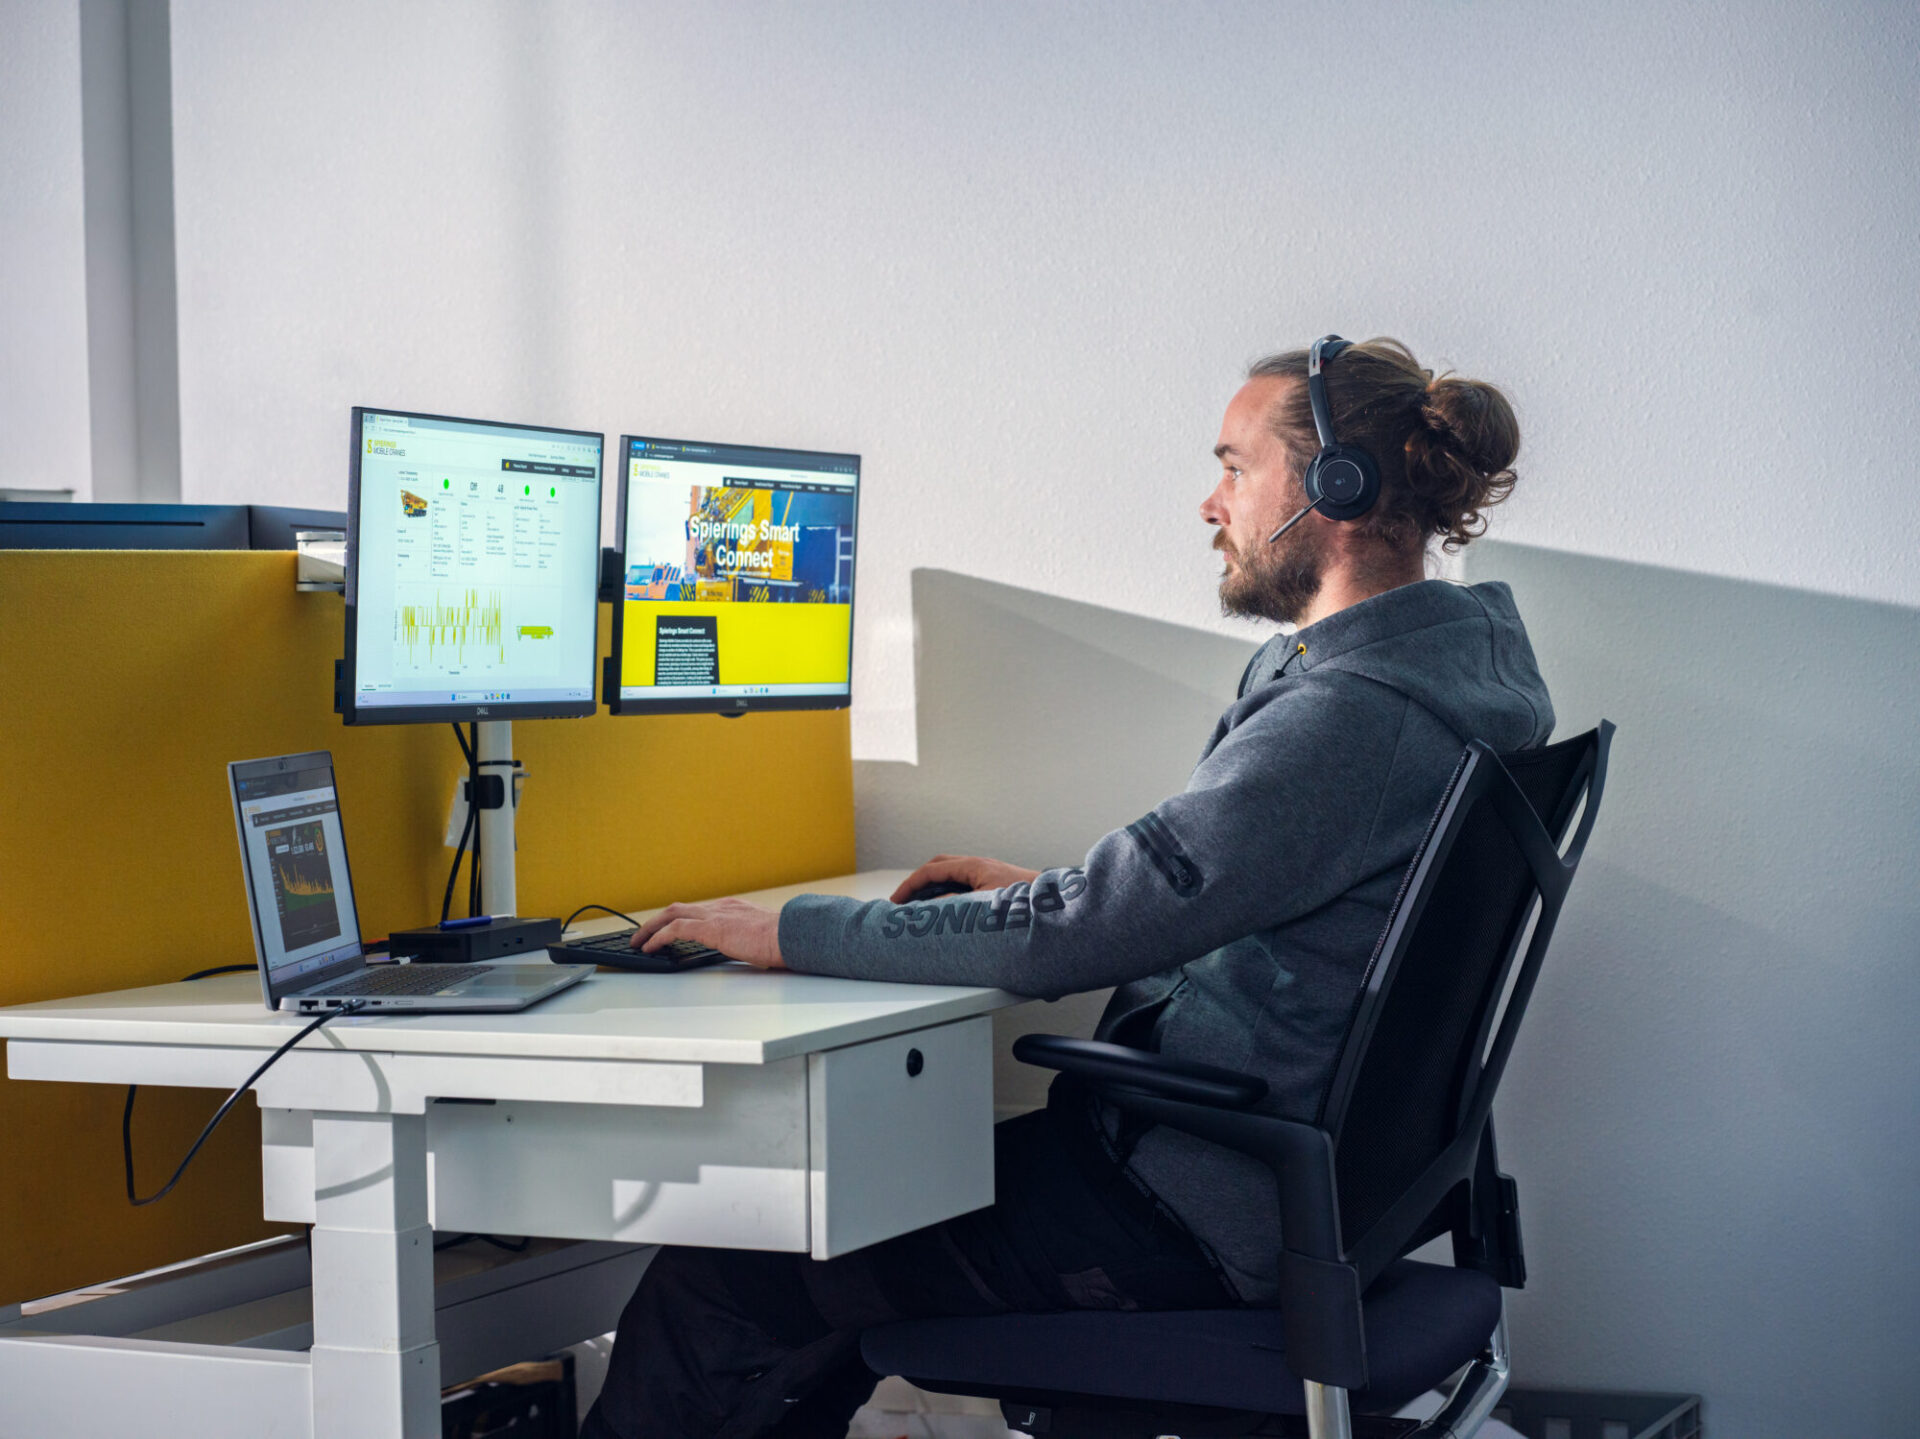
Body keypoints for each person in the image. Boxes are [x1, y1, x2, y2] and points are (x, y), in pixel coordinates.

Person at [581, 337, 1555, 1439]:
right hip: (1299, 1193)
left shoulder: (1349, 717)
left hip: (1181, 1211)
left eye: (1235, 467)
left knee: (735, 1267)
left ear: (1335, 488)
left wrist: (787, 932)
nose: (1211, 502)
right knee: (817, 1244)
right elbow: (1249, 901)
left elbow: (1066, 941)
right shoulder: (1445, 678)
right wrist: (1059, 890)